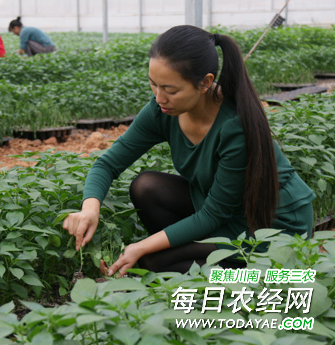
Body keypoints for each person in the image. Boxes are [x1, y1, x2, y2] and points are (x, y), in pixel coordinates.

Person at [63, 25, 315, 276]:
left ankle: (248, 275)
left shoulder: (234, 126)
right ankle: (197, 260)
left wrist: (141, 247)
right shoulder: (162, 109)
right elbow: (107, 164)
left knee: (154, 263)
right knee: (147, 187)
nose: (159, 97)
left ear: (205, 83)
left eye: (170, 90)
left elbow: (212, 215)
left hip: (268, 223)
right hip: (224, 212)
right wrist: (89, 209)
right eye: (153, 85)